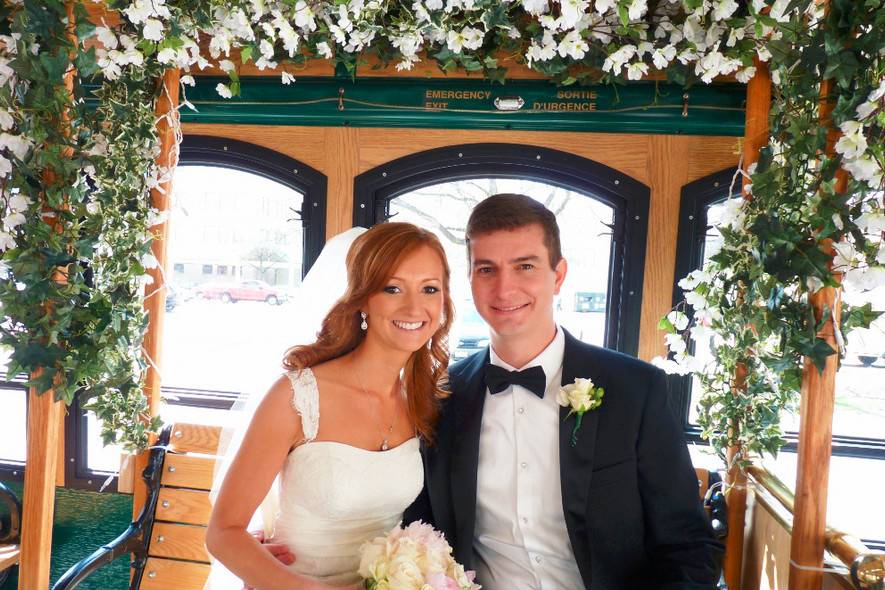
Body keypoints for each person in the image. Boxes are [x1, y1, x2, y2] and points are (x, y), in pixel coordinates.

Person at [404, 194, 723, 589]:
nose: (505, 289)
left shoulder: (635, 389)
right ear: (469, 280)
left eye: (525, 266)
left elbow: (689, 547)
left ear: (559, 275)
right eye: (487, 269)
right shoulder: (439, 399)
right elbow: (418, 529)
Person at [206, 222, 455, 590]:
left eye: (430, 289)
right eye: (392, 288)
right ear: (363, 299)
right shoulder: (297, 398)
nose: (414, 306)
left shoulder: (423, 400)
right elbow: (224, 533)